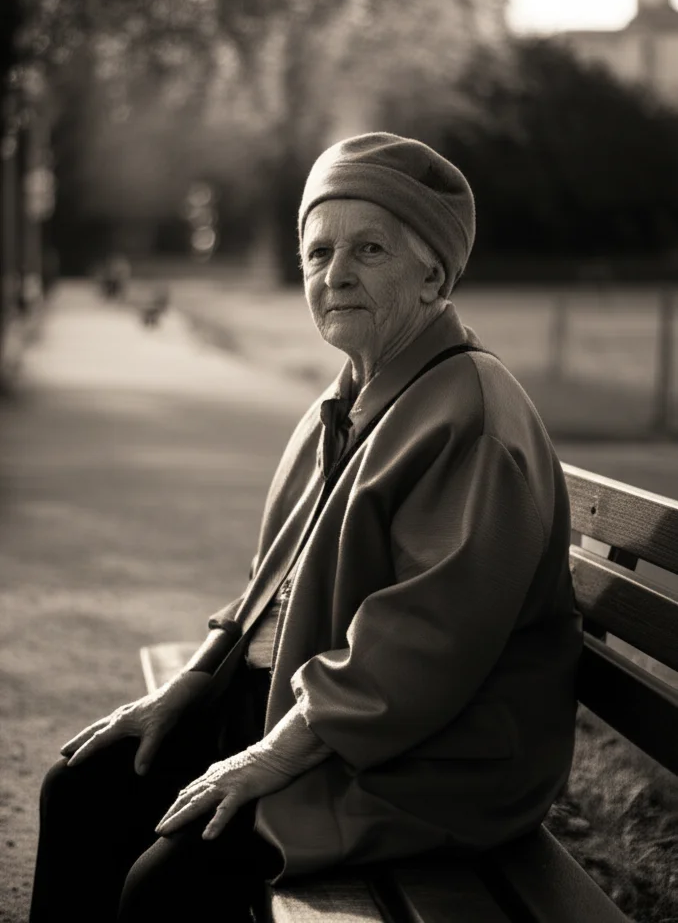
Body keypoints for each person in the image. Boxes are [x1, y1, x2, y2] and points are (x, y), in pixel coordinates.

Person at [30, 133, 583, 922]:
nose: (337, 273)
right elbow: (274, 584)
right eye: (318, 252)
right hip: (324, 712)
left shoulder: (470, 416)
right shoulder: (354, 393)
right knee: (84, 788)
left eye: (370, 249)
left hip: (426, 761)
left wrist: (266, 754)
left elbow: (422, 646)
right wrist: (197, 679)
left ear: (434, 272)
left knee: (164, 889)